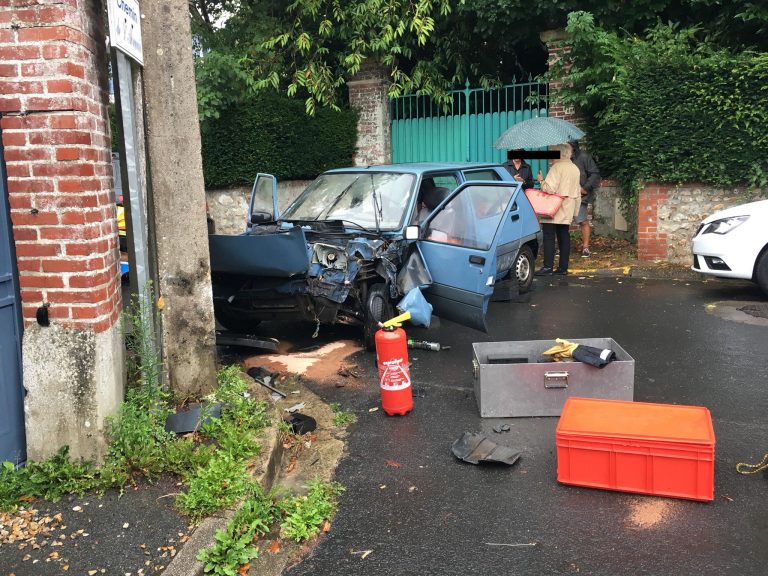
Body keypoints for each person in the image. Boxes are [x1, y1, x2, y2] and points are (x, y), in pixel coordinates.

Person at [534, 144, 582, 276]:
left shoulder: (557, 167)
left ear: (559, 154)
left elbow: (550, 189)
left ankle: (548, 267)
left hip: (554, 207)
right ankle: (563, 268)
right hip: (568, 206)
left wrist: (541, 180)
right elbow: (577, 191)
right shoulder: (575, 168)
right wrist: (576, 212)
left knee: (549, 235)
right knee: (564, 235)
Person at [569, 139, 600, 257]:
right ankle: (561, 247)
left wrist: (585, 188)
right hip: (565, 195)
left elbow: (595, 174)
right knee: (563, 223)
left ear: (573, 147)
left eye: (568, 146)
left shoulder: (584, 157)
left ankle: (586, 247)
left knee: (582, 221)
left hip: (580, 195)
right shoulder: (563, 158)